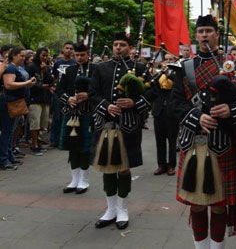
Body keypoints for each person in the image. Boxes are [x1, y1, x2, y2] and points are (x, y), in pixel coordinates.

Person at [169, 15, 236, 248]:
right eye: (200, 31)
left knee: (220, 202)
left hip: (224, 143)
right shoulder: (184, 67)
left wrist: (233, 109)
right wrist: (197, 117)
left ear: (217, 35)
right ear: (195, 35)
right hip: (192, 141)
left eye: (208, 31)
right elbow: (175, 103)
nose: (204, 35)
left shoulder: (233, 65)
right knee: (197, 202)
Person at [89, 31, 151, 230]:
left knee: (124, 167)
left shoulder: (139, 68)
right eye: (115, 44)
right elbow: (92, 94)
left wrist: (134, 102)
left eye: (122, 45)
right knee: (107, 166)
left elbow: (153, 92)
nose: (118, 48)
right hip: (105, 124)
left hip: (129, 125)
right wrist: (106, 105)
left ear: (129, 48)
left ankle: (123, 209)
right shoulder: (100, 68)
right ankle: (110, 209)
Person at [56, 43, 95, 194]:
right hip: (71, 112)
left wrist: (89, 96)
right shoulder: (69, 70)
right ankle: (74, 180)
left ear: (88, 54)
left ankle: (84, 180)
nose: (79, 58)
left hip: (88, 112)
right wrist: (68, 99)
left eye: (82, 55)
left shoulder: (95, 70)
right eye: (76, 55)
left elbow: (101, 90)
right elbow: (59, 89)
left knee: (84, 148)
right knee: (72, 145)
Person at [1, 46, 36, 170]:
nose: (23, 58)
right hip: (9, 103)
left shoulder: (16, 68)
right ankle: (4, 159)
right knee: (7, 131)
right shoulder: (10, 68)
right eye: (21, 55)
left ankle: (9, 156)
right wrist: (26, 83)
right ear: (14, 55)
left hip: (16, 102)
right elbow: (9, 84)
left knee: (11, 130)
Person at [150, 52, 178, 176]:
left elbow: (179, 85)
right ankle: (161, 165)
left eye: (170, 59)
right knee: (159, 140)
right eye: (165, 59)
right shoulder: (158, 73)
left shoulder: (177, 73)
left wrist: (169, 74)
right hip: (159, 111)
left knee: (172, 141)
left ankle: (171, 165)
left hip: (172, 112)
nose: (167, 62)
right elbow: (153, 90)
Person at [27, 47, 54, 155]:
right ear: (38, 55)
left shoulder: (46, 67)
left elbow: (50, 81)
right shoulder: (31, 66)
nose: (45, 57)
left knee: (42, 123)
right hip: (34, 99)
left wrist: (44, 70)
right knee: (35, 123)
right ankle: (34, 144)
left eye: (47, 55)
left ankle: (37, 141)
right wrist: (42, 86)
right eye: (43, 55)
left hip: (45, 99)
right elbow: (30, 83)